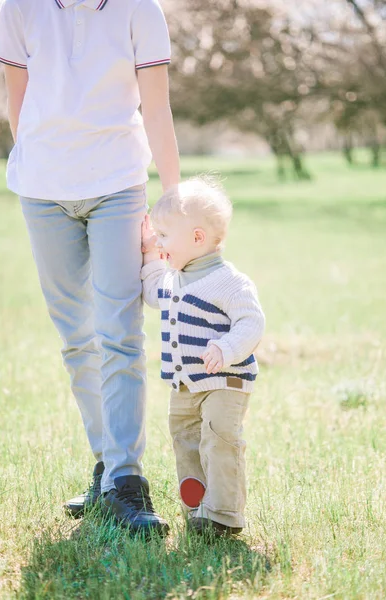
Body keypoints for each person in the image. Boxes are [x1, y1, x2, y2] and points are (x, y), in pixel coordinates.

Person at [0, 0, 180, 536]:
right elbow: (17, 99)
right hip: (43, 192)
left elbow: (157, 106)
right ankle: (106, 465)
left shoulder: (138, 9)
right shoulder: (19, 9)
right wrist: (43, 166)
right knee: (76, 337)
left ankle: (126, 478)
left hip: (117, 184)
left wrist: (171, 200)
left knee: (119, 331)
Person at [141, 177, 265, 536]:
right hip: (183, 386)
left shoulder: (230, 282)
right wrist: (150, 252)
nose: (160, 244)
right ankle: (198, 509)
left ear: (197, 238)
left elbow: (252, 322)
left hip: (225, 382)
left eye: (165, 236)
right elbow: (151, 291)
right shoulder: (173, 278)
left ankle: (224, 514)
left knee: (219, 439)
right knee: (186, 442)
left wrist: (226, 348)